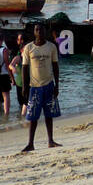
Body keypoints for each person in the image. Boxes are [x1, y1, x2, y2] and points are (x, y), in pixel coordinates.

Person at [20, 22, 62, 151]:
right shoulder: (28, 48)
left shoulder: (51, 47)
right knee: (33, 117)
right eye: (37, 30)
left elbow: (55, 66)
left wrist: (57, 85)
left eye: (41, 30)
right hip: (34, 86)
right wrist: (24, 87)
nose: (39, 32)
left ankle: (50, 140)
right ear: (34, 32)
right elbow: (25, 68)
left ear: (45, 32)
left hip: (49, 84)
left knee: (49, 115)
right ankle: (30, 143)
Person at [9, 32, 28, 111]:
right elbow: (10, 65)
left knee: (27, 102)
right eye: (18, 39)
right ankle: (22, 119)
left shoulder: (29, 55)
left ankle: (25, 118)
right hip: (19, 82)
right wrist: (12, 78)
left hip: (29, 82)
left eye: (21, 39)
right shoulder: (17, 55)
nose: (20, 41)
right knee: (21, 102)